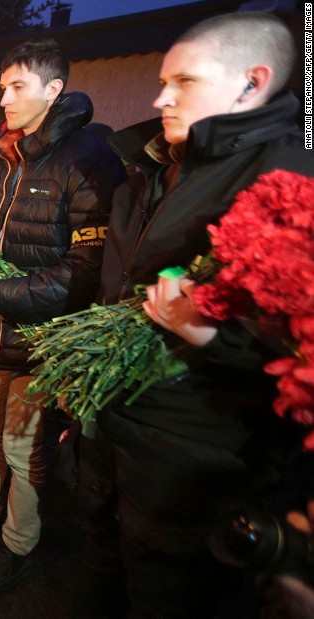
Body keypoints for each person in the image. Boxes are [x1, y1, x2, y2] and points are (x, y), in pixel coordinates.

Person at [75, 13, 314, 617]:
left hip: (197, 465)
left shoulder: (288, 179)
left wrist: (208, 335)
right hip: (116, 435)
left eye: (183, 81)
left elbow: (298, 354)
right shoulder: (152, 168)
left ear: (251, 83)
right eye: (162, 81)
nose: (161, 97)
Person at [0, 39, 126, 596]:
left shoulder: (89, 160)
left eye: (18, 88)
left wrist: (9, 291)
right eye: (2, 88)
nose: (5, 99)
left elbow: (88, 266)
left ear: (54, 89)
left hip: (45, 335)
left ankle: (19, 543)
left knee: (22, 445)